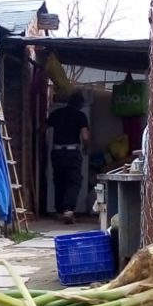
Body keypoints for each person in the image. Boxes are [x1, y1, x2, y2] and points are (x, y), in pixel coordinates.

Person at [46, 91, 91, 224]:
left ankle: (60, 210)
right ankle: (68, 209)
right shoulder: (80, 116)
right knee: (74, 180)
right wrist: (86, 147)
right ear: (80, 104)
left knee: (59, 180)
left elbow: (42, 128)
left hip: (57, 151)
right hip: (72, 152)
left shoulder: (56, 113)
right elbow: (85, 136)